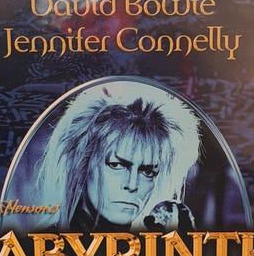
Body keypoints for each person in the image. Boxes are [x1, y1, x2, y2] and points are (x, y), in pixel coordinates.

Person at [35, 80, 201, 232]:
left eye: (147, 172)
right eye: (116, 165)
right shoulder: (42, 246)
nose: (132, 185)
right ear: (83, 165)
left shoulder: (155, 247)